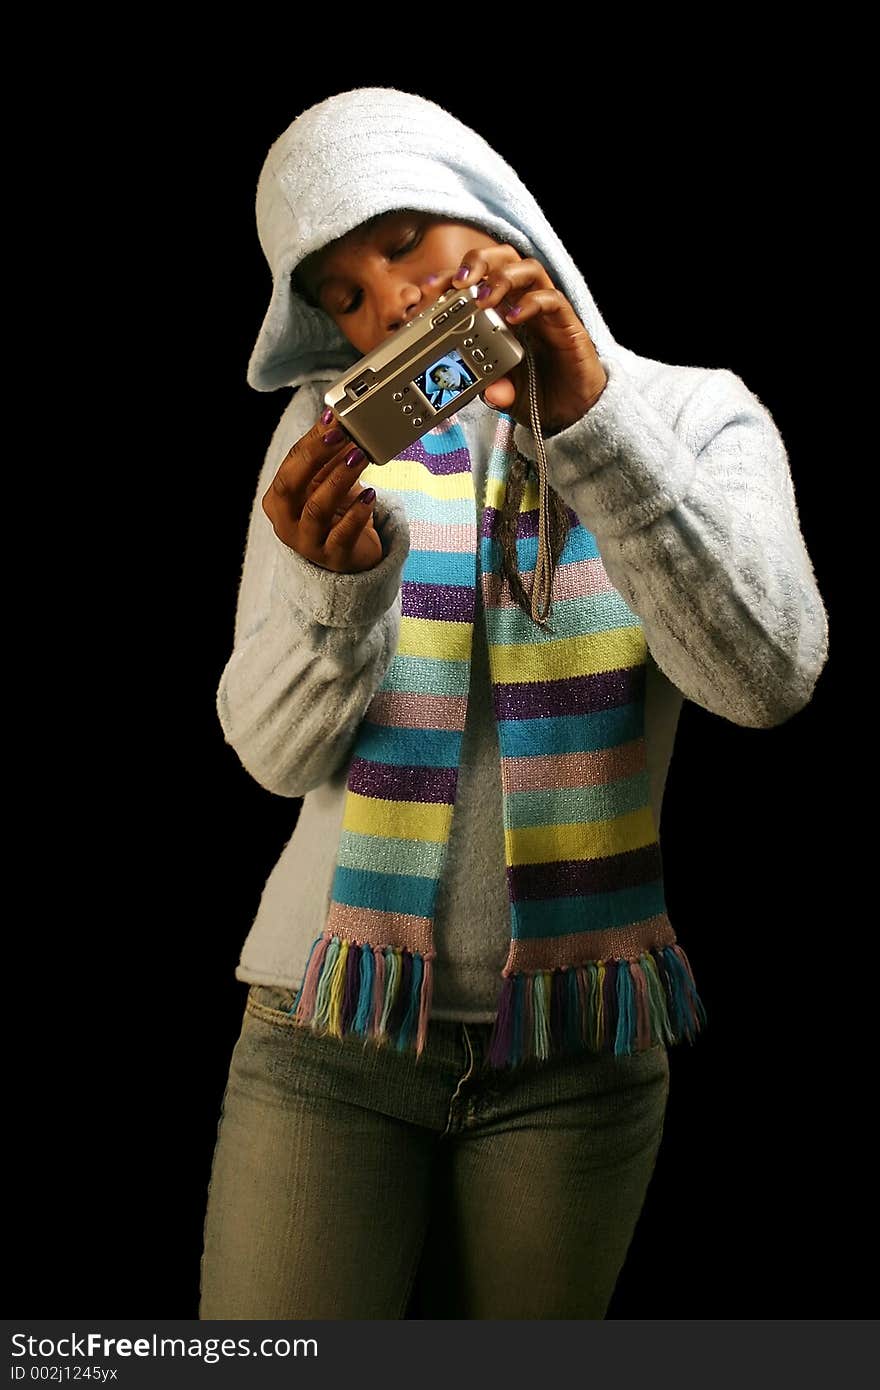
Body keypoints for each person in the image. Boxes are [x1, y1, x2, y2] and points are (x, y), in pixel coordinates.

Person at [198, 87, 829, 1320]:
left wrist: (591, 423)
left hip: (578, 1056)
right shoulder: (321, 445)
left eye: (399, 242)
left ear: (494, 216)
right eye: (340, 293)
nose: (384, 303)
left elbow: (766, 679)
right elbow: (273, 757)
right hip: (327, 1031)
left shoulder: (695, 417)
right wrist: (337, 596)